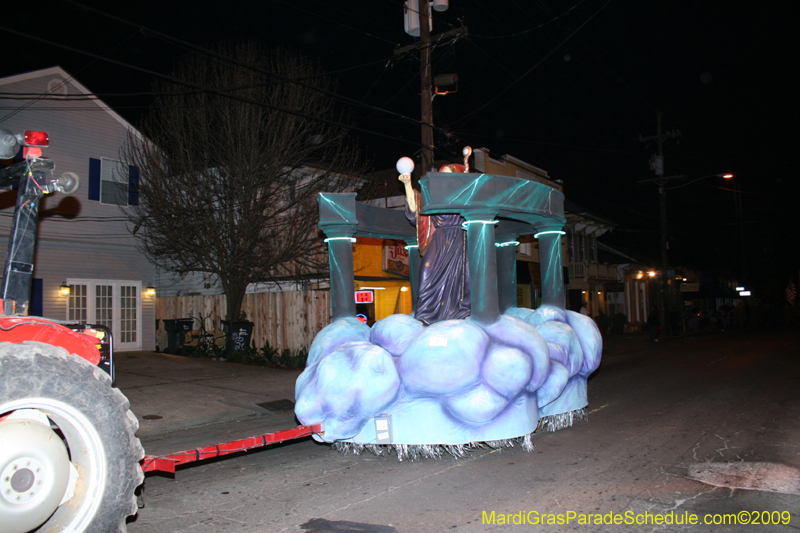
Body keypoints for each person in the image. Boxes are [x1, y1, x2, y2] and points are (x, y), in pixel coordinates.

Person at [398, 149, 471, 325]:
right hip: (438, 239)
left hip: (460, 240)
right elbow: (415, 211)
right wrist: (407, 185)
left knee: (461, 278)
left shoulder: (464, 196)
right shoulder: (433, 197)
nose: (443, 178)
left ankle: (460, 315)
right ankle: (425, 317)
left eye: (447, 175)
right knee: (427, 273)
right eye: (441, 175)